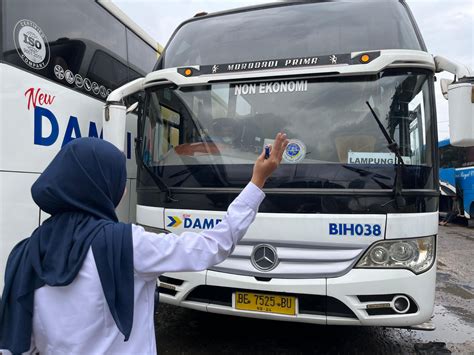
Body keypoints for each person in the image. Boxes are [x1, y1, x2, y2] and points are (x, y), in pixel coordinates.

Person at [0, 133, 289, 354]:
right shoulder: (126, 244)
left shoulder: (25, 253)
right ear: (101, 186)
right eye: (117, 178)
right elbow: (213, 246)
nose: (123, 186)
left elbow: (21, 341)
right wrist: (256, 182)